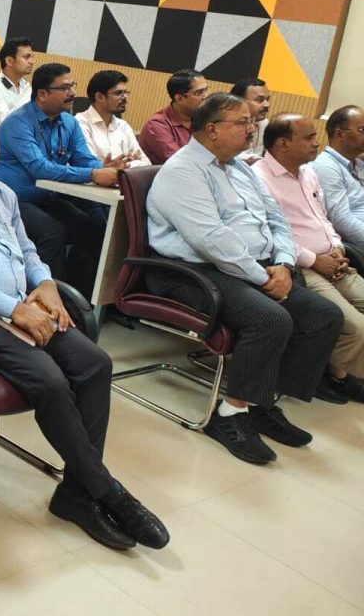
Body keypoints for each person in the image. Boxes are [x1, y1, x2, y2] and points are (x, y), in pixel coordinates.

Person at [0, 103, 169, 551]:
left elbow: (27, 249)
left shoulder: (2, 193)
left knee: (95, 364)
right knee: (50, 381)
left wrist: (45, 284)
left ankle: (75, 494)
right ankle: (105, 490)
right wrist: (14, 309)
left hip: (22, 304)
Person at [146, 93, 341, 464]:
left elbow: (276, 219)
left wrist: (284, 263)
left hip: (254, 267)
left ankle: (260, 402)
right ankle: (230, 414)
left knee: (323, 316)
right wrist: (263, 277)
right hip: (190, 272)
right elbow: (210, 240)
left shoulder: (240, 168)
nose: (252, 129)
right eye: (242, 123)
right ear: (212, 130)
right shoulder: (183, 171)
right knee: (270, 319)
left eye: (252, 122)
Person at [253, 115, 364, 403]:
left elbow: (322, 219)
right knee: (355, 327)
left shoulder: (308, 172)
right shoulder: (260, 178)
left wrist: (337, 248)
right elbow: (271, 233)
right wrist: (314, 259)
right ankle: (333, 375)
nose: (317, 143)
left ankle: (333, 370)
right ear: (283, 144)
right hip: (302, 266)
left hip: (334, 259)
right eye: (309, 138)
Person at [0, 63, 115, 297]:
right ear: (42, 94)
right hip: (11, 199)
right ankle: (39, 297)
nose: (72, 92)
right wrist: (93, 175)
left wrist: (106, 170)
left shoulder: (69, 122)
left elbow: (83, 158)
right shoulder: (18, 123)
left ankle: (75, 297)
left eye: (72, 85)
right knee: (53, 233)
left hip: (47, 198)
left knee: (94, 230)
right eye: (65, 88)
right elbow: (40, 169)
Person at [311, 105, 364, 248]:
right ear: (340, 134)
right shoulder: (326, 167)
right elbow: (341, 220)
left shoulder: (358, 163)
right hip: (354, 244)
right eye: (362, 130)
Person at [77, 70, 149, 169]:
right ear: (99, 97)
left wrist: (125, 166)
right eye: (119, 93)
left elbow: (146, 162)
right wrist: (119, 167)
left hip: (123, 177)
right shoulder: (80, 123)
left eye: (126, 93)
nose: (125, 97)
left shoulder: (123, 125)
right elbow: (88, 164)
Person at [138, 68, 207, 165]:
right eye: (199, 93)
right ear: (180, 98)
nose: (205, 96)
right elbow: (180, 162)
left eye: (206, 90)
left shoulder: (204, 119)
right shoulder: (157, 125)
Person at [0, 37, 34, 123]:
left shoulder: (25, 85)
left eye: (32, 57)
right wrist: (27, 94)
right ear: (9, 61)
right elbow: (6, 124)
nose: (32, 61)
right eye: (27, 57)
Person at [231, 77, 271, 161]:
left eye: (267, 99)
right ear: (238, 101)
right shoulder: (226, 123)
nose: (267, 104)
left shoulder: (263, 123)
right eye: (259, 100)